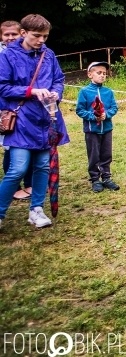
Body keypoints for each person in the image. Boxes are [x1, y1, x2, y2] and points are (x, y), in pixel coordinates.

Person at [0, 14, 69, 229]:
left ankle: (36, 210)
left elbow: (58, 79)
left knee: (42, 166)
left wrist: (56, 93)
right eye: (36, 36)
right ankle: (0, 213)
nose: (41, 40)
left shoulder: (49, 55)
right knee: (18, 169)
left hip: (46, 118)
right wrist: (31, 91)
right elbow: (2, 87)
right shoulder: (8, 56)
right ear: (23, 33)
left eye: (45, 36)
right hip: (21, 119)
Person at [0, 21, 33, 201]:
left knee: (28, 147)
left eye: (14, 34)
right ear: (1, 36)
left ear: (21, 33)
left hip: (23, 107)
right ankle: (13, 187)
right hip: (5, 110)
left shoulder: (27, 53)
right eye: (7, 35)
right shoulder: (3, 56)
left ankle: (29, 184)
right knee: (10, 148)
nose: (11, 38)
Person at [75, 61, 119, 193]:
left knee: (106, 154)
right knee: (94, 154)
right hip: (92, 130)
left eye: (104, 73)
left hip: (106, 129)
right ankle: (95, 179)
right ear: (90, 74)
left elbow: (114, 107)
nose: (102, 76)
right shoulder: (84, 92)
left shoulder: (108, 92)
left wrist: (107, 114)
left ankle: (106, 177)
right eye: (99, 73)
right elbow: (80, 110)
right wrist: (93, 116)